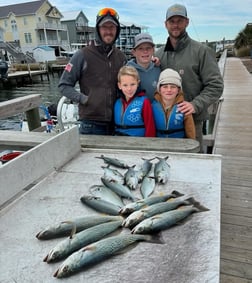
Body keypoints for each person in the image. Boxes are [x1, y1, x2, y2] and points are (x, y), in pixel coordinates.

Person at [155, 3, 224, 151]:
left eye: (179, 21)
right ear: (165, 24)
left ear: (187, 22)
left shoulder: (201, 51)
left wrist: (195, 105)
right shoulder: (158, 54)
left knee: (194, 164)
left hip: (193, 121)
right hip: (163, 124)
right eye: (172, 21)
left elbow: (216, 86)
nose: (176, 25)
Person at [58, 7, 127, 135]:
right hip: (91, 124)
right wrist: (84, 99)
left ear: (117, 31)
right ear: (98, 30)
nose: (108, 31)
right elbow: (64, 86)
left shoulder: (121, 57)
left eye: (112, 28)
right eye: (104, 27)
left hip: (116, 122)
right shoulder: (82, 55)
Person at [152, 68, 195, 139]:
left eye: (173, 87)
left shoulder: (184, 108)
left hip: (178, 145)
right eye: (165, 87)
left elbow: (191, 132)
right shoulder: (151, 107)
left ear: (178, 90)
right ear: (159, 89)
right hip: (158, 145)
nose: (169, 90)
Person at [114, 65, 156, 137]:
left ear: (138, 83)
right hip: (119, 142)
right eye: (125, 85)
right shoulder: (117, 102)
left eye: (132, 84)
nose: (129, 88)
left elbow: (150, 127)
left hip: (137, 144)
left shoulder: (144, 102)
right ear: (119, 85)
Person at [127, 33, 160, 102]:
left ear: (153, 50)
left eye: (148, 48)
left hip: (156, 110)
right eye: (140, 48)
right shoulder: (127, 71)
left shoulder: (159, 69)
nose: (145, 51)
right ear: (134, 52)